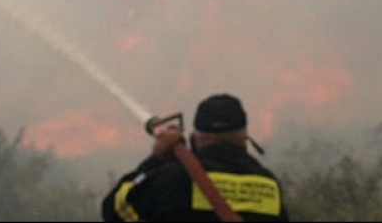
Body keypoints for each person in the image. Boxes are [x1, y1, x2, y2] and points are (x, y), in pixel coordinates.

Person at [102, 93, 289, 222]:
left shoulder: (171, 180)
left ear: (194, 139)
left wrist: (157, 158)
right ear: (244, 139)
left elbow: (114, 210)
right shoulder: (269, 185)